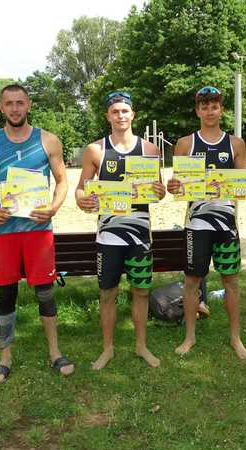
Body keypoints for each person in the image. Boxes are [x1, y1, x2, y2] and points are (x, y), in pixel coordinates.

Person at [0, 84, 73, 382]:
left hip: (38, 230)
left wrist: (54, 207)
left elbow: (62, 181)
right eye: (9, 104)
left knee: (45, 291)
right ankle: (5, 357)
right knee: (7, 293)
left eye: (20, 103)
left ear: (28, 105)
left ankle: (55, 352)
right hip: (5, 231)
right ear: (1, 107)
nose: (15, 108)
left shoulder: (48, 140)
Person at [166, 86, 246, 360]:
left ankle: (235, 338)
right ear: (197, 111)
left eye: (214, 106)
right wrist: (174, 186)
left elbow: (242, 183)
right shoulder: (185, 144)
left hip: (226, 224)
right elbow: (178, 186)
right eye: (204, 106)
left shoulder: (236, 144)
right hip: (197, 224)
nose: (210, 111)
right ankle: (190, 337)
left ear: (221, 110)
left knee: (231, 281)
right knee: (191, 281)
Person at [75, 91, 165, 370]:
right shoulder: (95, 150)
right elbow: (81, 188)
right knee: (107, 293)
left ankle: (141, 346)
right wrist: (82, 199)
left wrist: (160, 191)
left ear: (133, 114)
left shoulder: (150, 150)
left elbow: (157, 191)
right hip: (109, 236)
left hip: (140, 234)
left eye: (125, 111)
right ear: (108, 116)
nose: (120, 116)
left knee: (140, 291)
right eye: (115, 112)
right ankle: (107, 349)